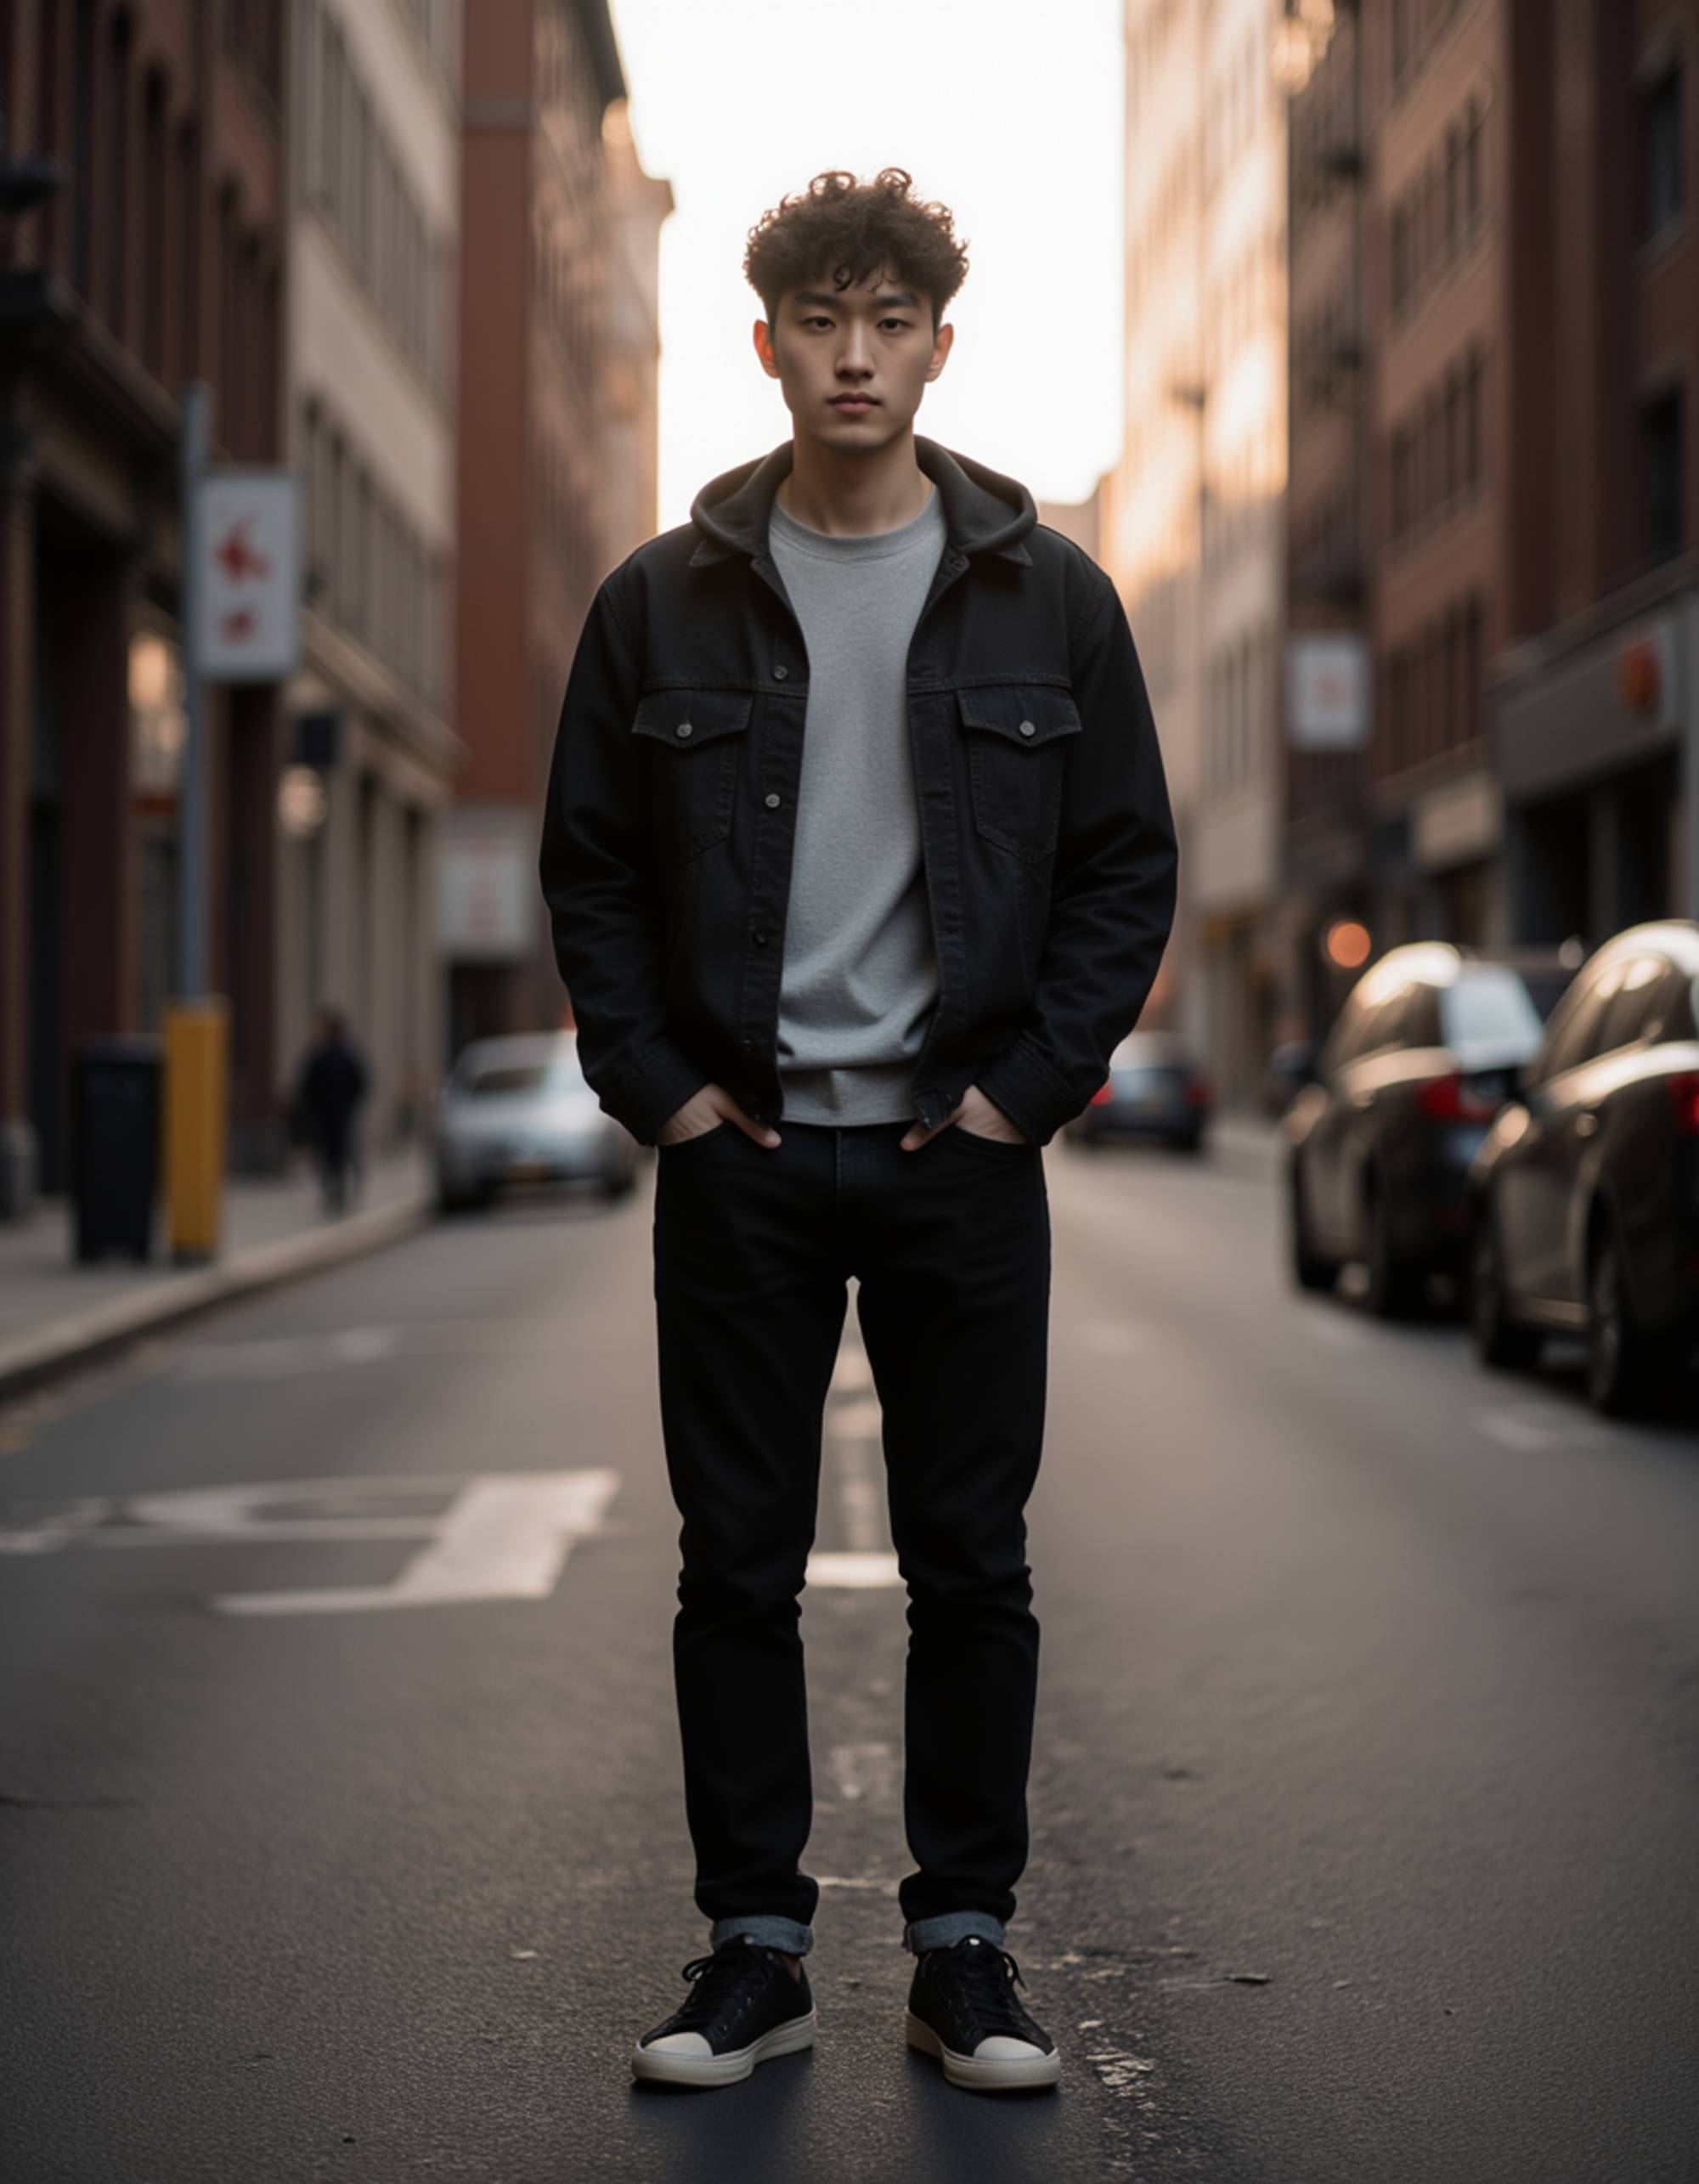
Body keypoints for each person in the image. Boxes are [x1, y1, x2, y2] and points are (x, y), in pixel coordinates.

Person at [539, 167, 1177, 2094]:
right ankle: (757, 1948)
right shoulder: (661, 596)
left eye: (886, 319)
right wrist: (666, 1098)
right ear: (765, 346)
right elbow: (588, 875)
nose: (851, 352)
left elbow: (1120, 868)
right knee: (730, 1562)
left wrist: (1016, 1097)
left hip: (951, 1155)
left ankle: (960, 1948)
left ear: (935, 345)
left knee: (966, 1561)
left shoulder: (1044, 592)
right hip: (742, 1158)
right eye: (818, 319)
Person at [288, 1005, 369, 1216]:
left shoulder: (346, 1055)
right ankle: (332, 1192)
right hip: (323, 1116)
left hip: (341, 1113)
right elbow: (306, 1086)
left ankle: (344, 1190)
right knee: (327, 1154)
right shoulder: (318, 1055)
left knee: (344, 1152)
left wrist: (350, 1103)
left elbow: (360, 1083)